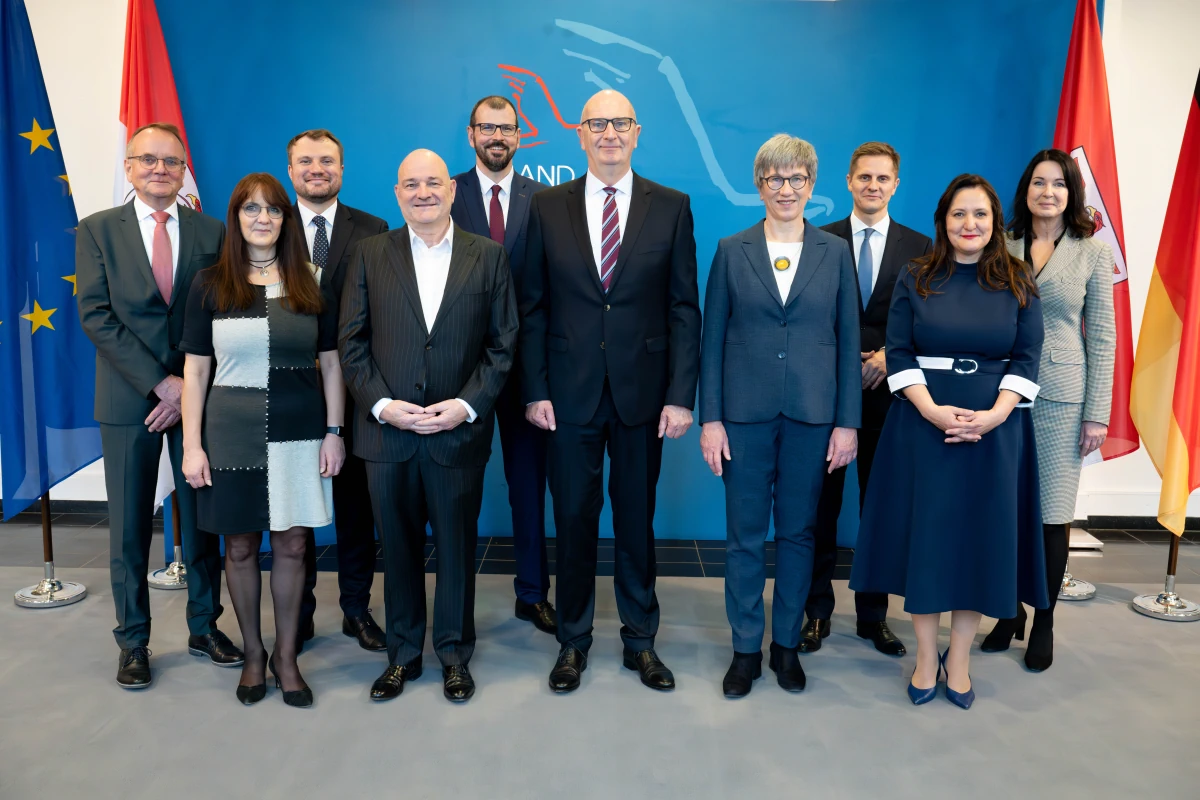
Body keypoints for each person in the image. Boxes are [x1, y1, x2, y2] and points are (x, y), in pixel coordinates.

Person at [522, 89, 702, 694]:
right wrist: (535, 388)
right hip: (567, 396)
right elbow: (533, 308)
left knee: (635, 520)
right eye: (596, 123)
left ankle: (640, 641)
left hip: (642, 396)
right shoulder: (547, 207)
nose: (608, 133)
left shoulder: (671, 207)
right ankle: (572, 641)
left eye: (619, 123)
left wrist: (680, 396)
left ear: (637, 130)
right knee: (572, 520)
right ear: (580, 133)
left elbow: (683, 308)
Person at [849, 174, 1048, 710]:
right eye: (959, 214)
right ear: (944, 220)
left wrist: (993, 416)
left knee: (976, 546)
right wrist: (934, 410)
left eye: (980, 214)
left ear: (995, 221)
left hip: (994, 432)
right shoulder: (918, 276)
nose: (970, 224)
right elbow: (900, 351)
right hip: (922, 428)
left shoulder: (1019, 279)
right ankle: (924, 654)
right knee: (929, 543)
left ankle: (958, 658)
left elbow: (1027, 359)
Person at [339, 149, 517, 704]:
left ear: (452, 190)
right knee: (398, 547)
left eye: (433, 183)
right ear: (397, 194)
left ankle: (454, 654)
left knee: (457, 550)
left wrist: (466, 406)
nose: (423, 192)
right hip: (387, 435)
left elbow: (502, 343)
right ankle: (403, 654)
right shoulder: (370, 254)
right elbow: (352, 342)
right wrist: (381, 404)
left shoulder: (486, 256)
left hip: (457, 433)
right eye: (411, 184)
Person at [76, 122, 242, 689]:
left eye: (171, 162)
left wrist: (184, 388)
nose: (159, 170)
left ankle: (204, 625)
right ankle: (133, 642)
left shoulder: (212, 230)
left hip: (196, 399)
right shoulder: (97, 231)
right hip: (129, 401)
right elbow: (96, 315)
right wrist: (160, 384)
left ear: (182, 171)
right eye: (147, 160)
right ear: (129, 168)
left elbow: (221, 312)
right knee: (127, 528)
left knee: (201, 522)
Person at [699, 134, 861, 697]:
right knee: (744, 538)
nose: (785, 189)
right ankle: (745, 649)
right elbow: (711, 339)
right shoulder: (731, 249)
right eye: (774, 178)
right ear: (759, 184)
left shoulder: (835, 253)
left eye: (796, 179)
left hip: (814, 418)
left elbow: (847, 342)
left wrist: (847, 422)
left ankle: (785, 646)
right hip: (742, 417)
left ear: (812, 186)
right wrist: (711, 419)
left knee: (798, 535)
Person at [179, 173, 344, 708]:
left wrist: (334, 431)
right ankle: (253, 654)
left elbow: (332, 365)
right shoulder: (209, 284)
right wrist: (191, 446)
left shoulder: (311, 279)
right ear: (236, 219)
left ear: (285, 219)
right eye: (251, 209)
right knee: (242, 545)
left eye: (272, 210)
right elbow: (196, 374)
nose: (263, 219)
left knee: (295, 544)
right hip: (231, 434)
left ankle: (287, 657)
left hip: (299, 432)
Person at [979, 149, 1116, 671]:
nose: (1048, 192)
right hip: (999, 395)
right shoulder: (1001, 243)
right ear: (1026, 190)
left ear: (1071, 193)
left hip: (1061, 395)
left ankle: (1044, 620)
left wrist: (1097, 413)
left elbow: (1102, 337)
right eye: (1039, 182)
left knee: (1051, 516)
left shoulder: (1092, 253)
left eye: (1059, 184)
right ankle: (1008, 612)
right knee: (1005, 507)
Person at [802, 142, 931, 658]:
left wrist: (888, 356)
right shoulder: (821, 239)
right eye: (864, 178)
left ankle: (874, 618)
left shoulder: (921, 247)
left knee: (878, 510)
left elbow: (930, 322)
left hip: (889, 398)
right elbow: (808, 315)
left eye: (883, 178)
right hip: (827, 395)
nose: (873, 186)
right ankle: (816, 613)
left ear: (895, 184)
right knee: (821, 509)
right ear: (849, 182)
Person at [449, 97, 556, 634]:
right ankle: (455, 599)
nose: (497, 136)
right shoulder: (444, 192)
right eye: (487, 127)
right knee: (456, 491)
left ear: (520, 137)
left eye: (506, 128)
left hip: (526, 372)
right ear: (470, 134)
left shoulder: (546, 200)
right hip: (459, 374)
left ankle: (532, 593)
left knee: (529, 486)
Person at [287, 129, 390, 654]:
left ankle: (356, 608)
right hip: (288, 391)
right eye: (306, 161)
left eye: (327, 161)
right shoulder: (269, 228)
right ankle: (298, 613)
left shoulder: (373, 230)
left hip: (354, 391)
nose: (317, 169)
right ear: (291, 171)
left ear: (342, 170)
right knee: (296, 509)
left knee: (356, 509)